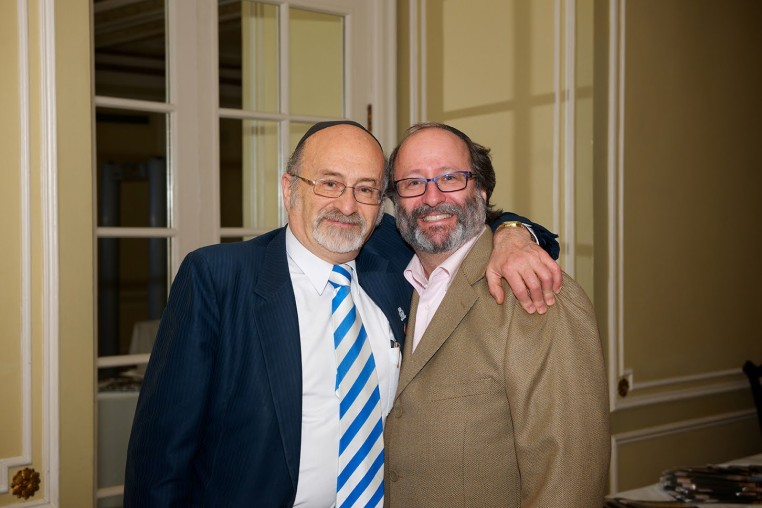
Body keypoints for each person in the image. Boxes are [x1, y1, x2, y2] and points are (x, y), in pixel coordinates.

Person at [123, 120, 560, 507]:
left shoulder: (394, 259)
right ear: (289, 189)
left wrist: (514, 233)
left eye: (366, 189)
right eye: (329, 184)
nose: (348, 206)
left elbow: (458, 214)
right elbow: (162, 454)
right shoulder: (218, 278)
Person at [383, 122, 610, 507]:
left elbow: (568, 481)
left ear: (482, 190)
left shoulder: (533, 292)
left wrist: (514, 231)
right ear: (395, 199)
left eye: (450, 178)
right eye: (413, 182)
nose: (431, 197)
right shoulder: (393, 273)